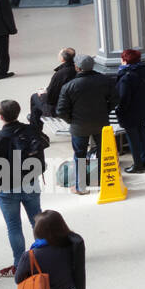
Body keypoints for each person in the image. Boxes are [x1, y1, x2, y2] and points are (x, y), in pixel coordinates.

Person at [0, 99, 48, 276]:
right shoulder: (31, 130)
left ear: (1, 116)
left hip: (7, 187)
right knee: (37, 221)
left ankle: (19, 264)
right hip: (30, 182)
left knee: (14, 226)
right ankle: (44, 257)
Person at [56, 54, 115, 194]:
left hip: (79, 127)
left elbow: (61, 111)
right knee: (103, 152)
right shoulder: (105, 80)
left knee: (80, 155)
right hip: (101, 123)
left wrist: (72, 120)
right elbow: (115, 99)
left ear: (77, 67)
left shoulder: (68, 86)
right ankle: (102, 181)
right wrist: (105, 111)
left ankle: (80, 187)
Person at [115, 49, 145, 174]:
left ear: (125, 60)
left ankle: (138, 165)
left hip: (130, 113)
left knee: (133, 140)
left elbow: (123, 98)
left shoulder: (126, 77)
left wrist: (119, 111)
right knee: (142, 135)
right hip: (143, 110)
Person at [27, 48, 74, 132]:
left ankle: (35, 130)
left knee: (35, 98)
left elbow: (50, 99)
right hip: (73, 105)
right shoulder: (77, 70)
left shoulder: (60, 74)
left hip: (60, 109)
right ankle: (34, 120)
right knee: (37, 106)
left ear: (62, 59)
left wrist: (43, 94)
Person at [0, 0, 16, 79]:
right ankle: (2, 72)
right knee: (2, 53)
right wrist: (12, 29)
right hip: (0, 30)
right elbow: (7, 16)